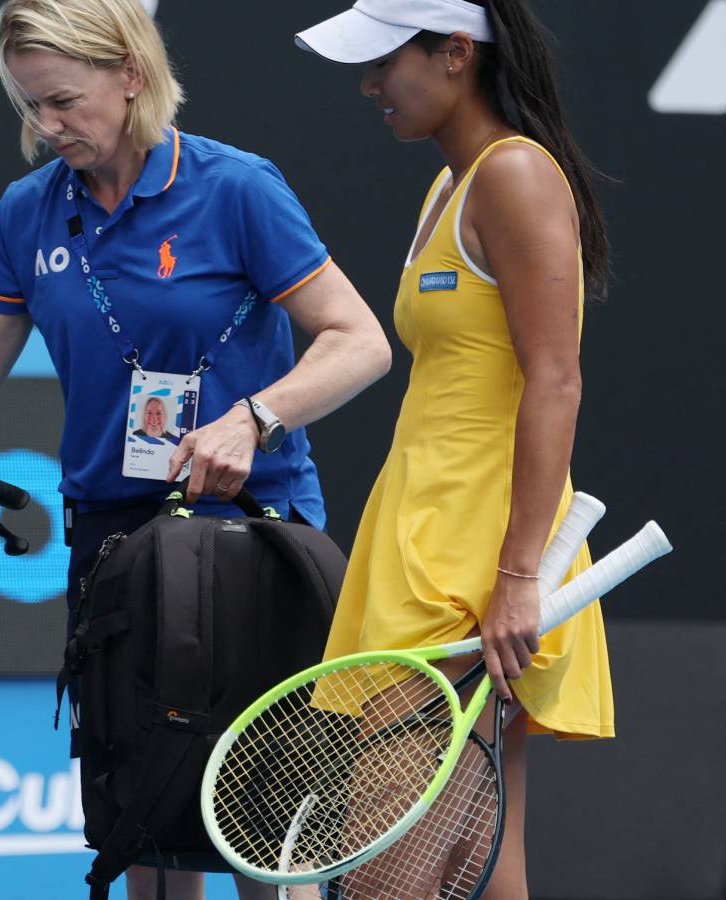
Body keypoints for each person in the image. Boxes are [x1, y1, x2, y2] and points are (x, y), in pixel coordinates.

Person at [0, 2, 391, 895]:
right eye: (31, 105)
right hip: (119, 544)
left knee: (265, 823)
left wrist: (253, 418)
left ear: (133, 77)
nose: (47, 126)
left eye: (65, 101)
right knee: (145, 821)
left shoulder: (237, 188)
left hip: (250, 529)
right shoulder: (28, 214)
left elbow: (359, 341)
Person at [295, 0, 614, 895]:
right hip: (428, 539)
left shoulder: (514, 176)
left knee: (380, 878)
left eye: (384, 63)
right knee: (485, 859)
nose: (368, 85)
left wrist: (515, 577)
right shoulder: (451, 182)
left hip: (469, 570)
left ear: (455, 56)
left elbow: (557, 379)